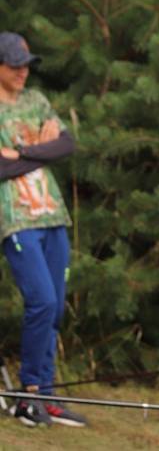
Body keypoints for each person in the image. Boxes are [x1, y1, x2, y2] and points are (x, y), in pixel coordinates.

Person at [0, 32, 87, 428]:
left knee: (55, 306)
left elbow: (65, 146)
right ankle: (28, 394)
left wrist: (20, 153)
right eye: (15, 64)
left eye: (26, 65)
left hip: (54, 216)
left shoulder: (36, 100)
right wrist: (37, 152)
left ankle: (47, 395)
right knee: (41, 302)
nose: (23, 71)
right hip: (16, 220)